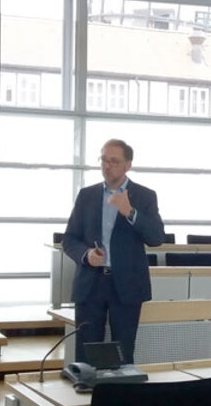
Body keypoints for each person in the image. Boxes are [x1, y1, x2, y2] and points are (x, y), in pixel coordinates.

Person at [62, 139, 165, 364]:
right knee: (86, 355)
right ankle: (87, 386)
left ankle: (119, 387)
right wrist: (87, 255)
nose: (107, 166)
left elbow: (156, 238)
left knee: (123, 353)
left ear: (128, 165)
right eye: (104, 160)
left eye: (114, 161)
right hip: (91, 284)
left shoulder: (144, 196)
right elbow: (69, 239)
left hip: (127, 285)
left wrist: (130, 212)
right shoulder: (86, 195)